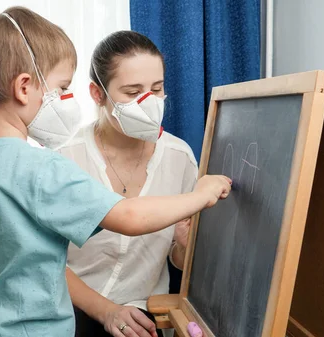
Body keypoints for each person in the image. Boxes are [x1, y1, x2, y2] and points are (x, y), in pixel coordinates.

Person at [0, 8, 232, 337]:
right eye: (61, 87)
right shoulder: (44, 167)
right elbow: (130, 216)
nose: (67, 98)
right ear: (24, 88)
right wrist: (200, 195)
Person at [59, 31, 198, 337]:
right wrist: (106, 311)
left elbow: (178, 258)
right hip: (70, 309)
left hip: (142, 315)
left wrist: (186, 248)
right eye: (133, 92)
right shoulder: (65, 159)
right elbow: (44, 262)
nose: (149, 103)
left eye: (157, 89)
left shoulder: (180, 158)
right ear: (97, 94)